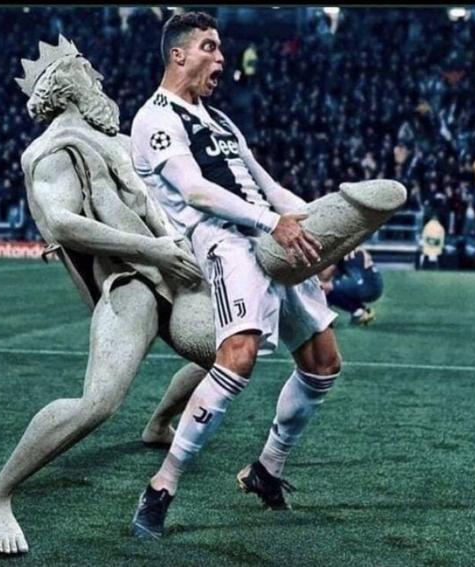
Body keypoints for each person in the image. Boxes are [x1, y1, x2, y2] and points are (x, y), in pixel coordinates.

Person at [0, 35, 211, 556]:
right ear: (65, 85)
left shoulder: (118, 141)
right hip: (129, 282)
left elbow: (162, 201)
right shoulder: (50, 150)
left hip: (171, 269)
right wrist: (153, 249)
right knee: (98, 404)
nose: (98, 79)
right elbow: (63, 222)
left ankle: (159, 423)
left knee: (233, 349)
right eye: (87, 70)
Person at [129, 12, 342, 540]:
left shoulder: (221, 119)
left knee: (322, 364)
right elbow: (195, 190)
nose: (221, 58)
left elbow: (269, 187)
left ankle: (267, 469)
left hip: (270, 234)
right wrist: (274, 223)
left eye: (220, 48)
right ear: (178, 54)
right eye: (209, 47)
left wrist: (328, 228)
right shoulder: (155, 117)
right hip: (223, 241)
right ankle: (161, 486)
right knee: (239, 355)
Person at [319, 247, 383, 326]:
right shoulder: (351, 247)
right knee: (327, 287)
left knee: (321, 287)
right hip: (376, 286)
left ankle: (357, 311)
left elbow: (325, 275)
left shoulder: (338, 249)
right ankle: (359, 311)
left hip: (363, 284)